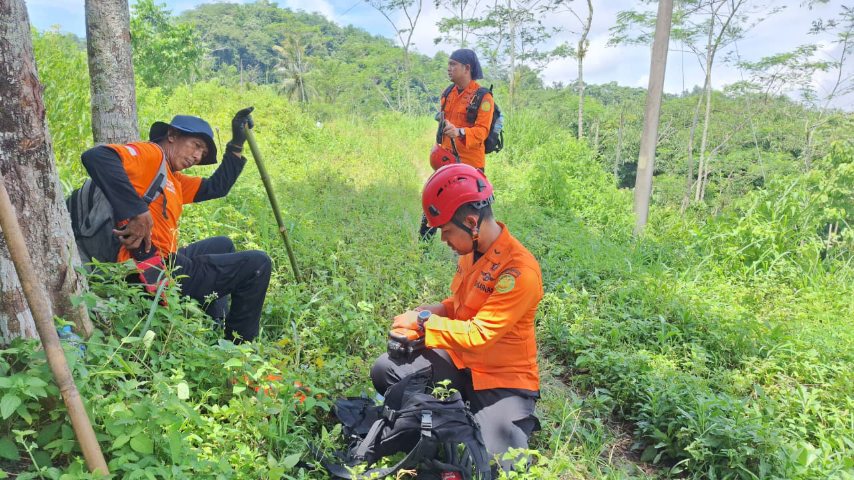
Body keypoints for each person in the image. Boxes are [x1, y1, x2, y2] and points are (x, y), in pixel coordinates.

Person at [373, 164, 543, 472]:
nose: (442, 239)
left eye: (446, 230)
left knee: (495, 464)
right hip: (462, 365)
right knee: (385, 369)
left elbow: (479, 335)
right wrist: (422, 313)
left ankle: (483, 422)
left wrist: (423, 325)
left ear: (470, 222)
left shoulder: (519, 272)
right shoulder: (470, 253)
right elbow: (457, 306)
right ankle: (455, 414)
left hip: (503, 382)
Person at [80, 108, 271, 343]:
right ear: (172, 135)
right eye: (196, 145)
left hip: (165, 258)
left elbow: (216, 187)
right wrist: (136, 212)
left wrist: (236, 144)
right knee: (258, 264)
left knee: (223, 244)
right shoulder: (152, 155)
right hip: (147, 267)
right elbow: (97, 157)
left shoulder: (173, 177)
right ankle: (238, 349)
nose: (198, 157)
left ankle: (213, 329)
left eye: (203, 152)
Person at [421, 49, 495, 239]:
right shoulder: (447, 93)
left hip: (470, 166)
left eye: (453, 64)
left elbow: (482, 132)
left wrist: (459, 132)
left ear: (466, 68)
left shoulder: (483, 98)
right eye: (449, 64)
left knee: (471, 215)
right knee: (434, 205)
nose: (449, 68)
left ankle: (470, 256)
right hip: (446, 163)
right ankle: (421, 250)